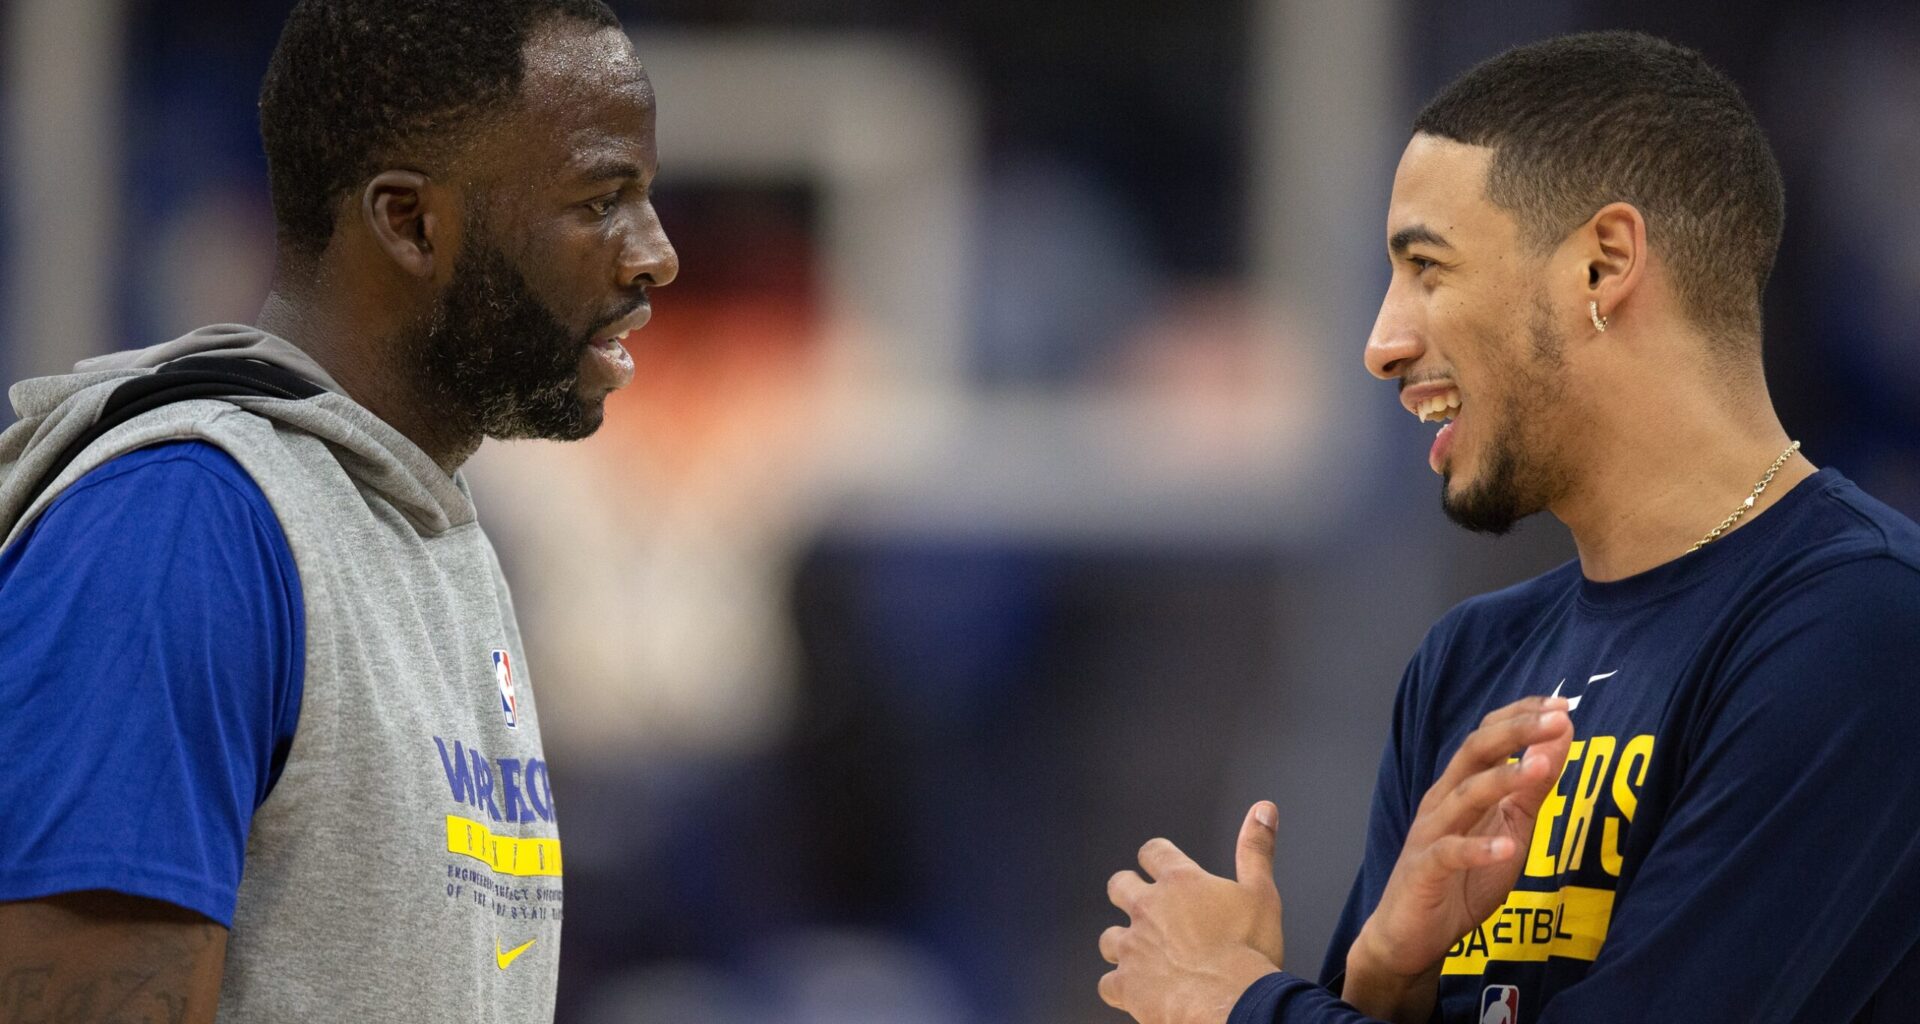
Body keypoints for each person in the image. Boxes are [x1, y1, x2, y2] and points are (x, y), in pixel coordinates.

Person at [1097, 31, 1920, 1024]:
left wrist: (1238, 1004)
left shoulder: (1862, 626)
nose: (1381, 342)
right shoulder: (1467, 661)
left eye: (1427, 269)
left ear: (1602, 265)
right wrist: (1377, 982)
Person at [0, 0, 675, 1020]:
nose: (655, 254)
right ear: (410, 222)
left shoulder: (424, 526)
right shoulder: (184, 530)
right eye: (599, 201)